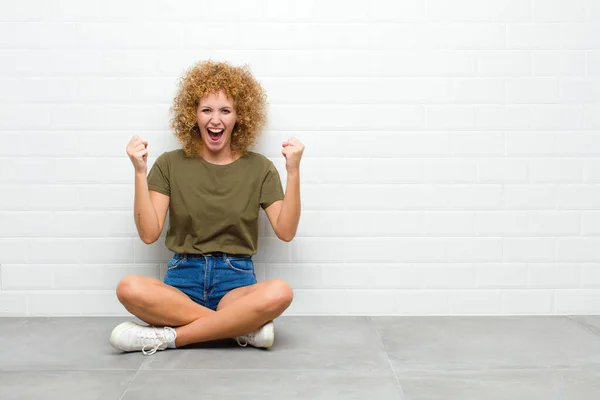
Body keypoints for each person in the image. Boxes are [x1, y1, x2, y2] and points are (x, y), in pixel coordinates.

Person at [109, 60, 304, 355]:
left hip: (236, 283)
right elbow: (149, 234)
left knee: (281, 292)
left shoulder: (260, 168)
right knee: (129, 287)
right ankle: (238, 329)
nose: (216, 120)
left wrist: (293, 171)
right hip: (181, 283)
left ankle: (169, 338)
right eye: (207, 110)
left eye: (225, 110)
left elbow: (286, 232)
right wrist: (139, 171)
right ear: (193, 114)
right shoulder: (169, 164)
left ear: (239, 116)